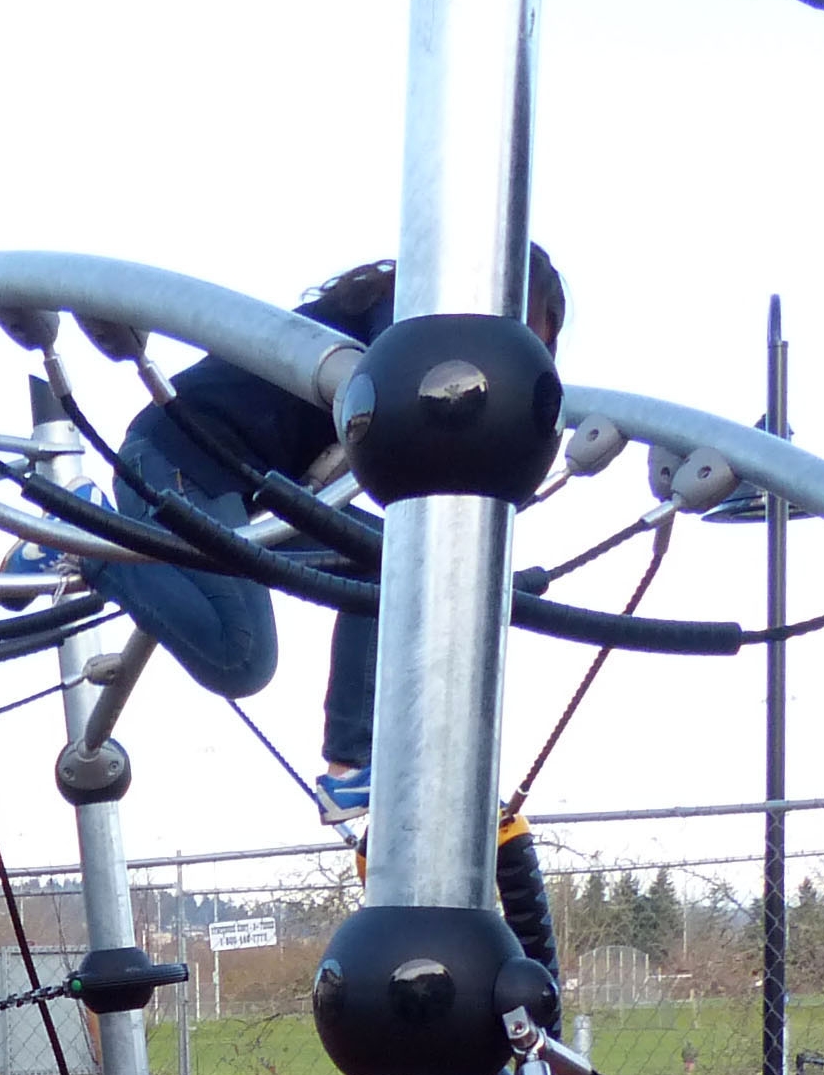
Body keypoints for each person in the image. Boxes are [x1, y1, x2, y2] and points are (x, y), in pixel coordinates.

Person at [92, 249, 566, 817]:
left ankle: (351, 765)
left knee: (386, 561)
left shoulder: (394, 332)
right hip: (180, 457)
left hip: (251, 483)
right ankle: (79, 536)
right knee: (240, 657)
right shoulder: (408, 326)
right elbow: (425, 425)